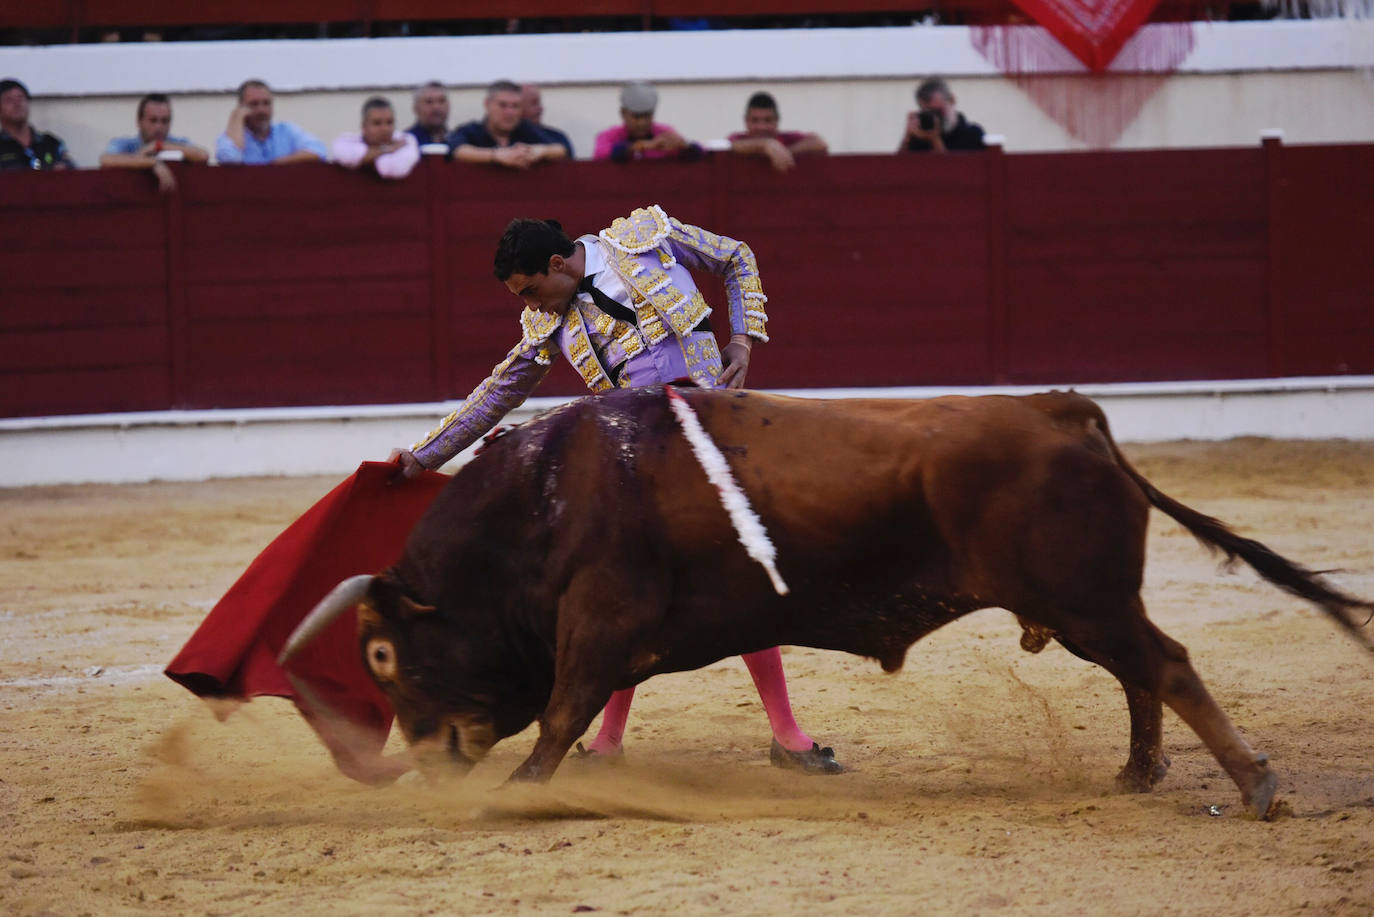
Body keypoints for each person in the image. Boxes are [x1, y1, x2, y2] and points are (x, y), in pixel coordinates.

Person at [388, 206, 843, 775]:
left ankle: (785, 733)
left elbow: (736, 256)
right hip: (638, 457)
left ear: (557, 263)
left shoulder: (645, 239)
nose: (530, 306)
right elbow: (497, 391)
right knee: (622, 587)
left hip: (712, 432)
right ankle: (607, 740)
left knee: (737, 572)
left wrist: (743, 340)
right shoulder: (547, 322)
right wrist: (422, 456)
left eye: (531, 291)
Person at [99, 92, 209, 192]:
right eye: (153, 120)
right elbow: (106, 160)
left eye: (164, 121)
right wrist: (153, 163)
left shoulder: (176, 143)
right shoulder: (126, 144)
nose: (159, 127)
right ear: (139, 122)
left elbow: (203, 155)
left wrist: (159, 146)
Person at [447, 79, 567, 169]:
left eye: (515, 106)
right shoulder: (472, 130)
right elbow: (457, 150)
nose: (509, 112)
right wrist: (496, 156)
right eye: (503, 105)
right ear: (487, 104)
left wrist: (538, 151)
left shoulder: (525, 128)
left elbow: (560, 149)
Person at [216, 79, 327, 165]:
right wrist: (236, 118)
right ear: (241, 108)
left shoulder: (286, 131)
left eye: (266, 103)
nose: (262, 110)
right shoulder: (232, 136)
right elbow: (230, 159)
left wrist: (278, 163)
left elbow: (319, 151)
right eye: (254, 104)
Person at [593, 81, 703, 163]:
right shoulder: (608, 136)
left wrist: (684, 146)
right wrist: (642, 146)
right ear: (623, 114)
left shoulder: (665, 133)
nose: (642, 123)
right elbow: (601, 153)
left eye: (647, 116)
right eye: (636, 117)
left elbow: (698, 153)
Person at [727, 91, 827, 172]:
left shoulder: (786, 138)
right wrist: (765, 144)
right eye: (755, 120)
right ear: (746, 121)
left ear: (777, 121)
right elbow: (730, 145)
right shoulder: (738, 139)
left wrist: (784, 152)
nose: (762, 127)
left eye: (768, 120)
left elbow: (820, 143)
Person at [332, 96, 420, 180]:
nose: (385, 129)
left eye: (389, 122)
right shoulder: (346, 140)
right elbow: (345, 155)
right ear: (364, 126)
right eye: (377, 123)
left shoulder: (406, 140)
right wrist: (388, 149)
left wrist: (365, 159)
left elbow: (390, 169)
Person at [0, 78, 74, 172]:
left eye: (20, 98)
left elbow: (72, 172)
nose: (17, 104)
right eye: (9, 100)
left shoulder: (50, 143)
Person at [899, 78, 986, 154]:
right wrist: (907, 137)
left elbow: (954, 170)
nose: (934, 117)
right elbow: (898, 168)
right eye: (928, 113)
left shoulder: (973, 135)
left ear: (952, 100)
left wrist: (935, 141)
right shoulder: (920, 137)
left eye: (938, 112)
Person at [519, 82, 574, 158]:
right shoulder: (506, 137)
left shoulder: (557, 136)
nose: (541, 108)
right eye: (534, 103)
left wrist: (541, 151)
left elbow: (567, 153)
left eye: (539, 103)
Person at [405, 80, 450, 147]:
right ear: (416, 108)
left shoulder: (457, 141)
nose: (436, 107)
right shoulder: (406, 142)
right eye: (429, 102)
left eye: (441, 101)